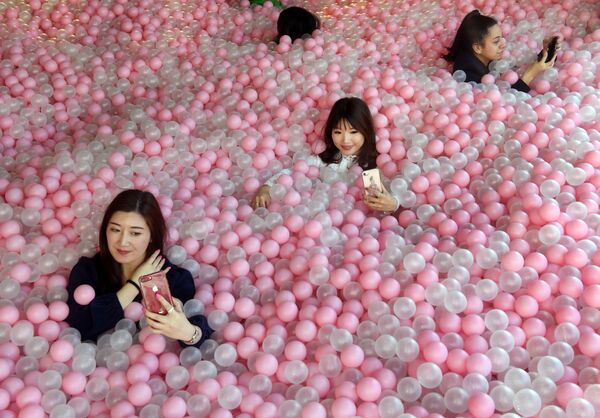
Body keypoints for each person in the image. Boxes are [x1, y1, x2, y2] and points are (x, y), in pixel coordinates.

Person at [66, 189, 212, 346]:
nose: (122, 242)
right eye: (115, 230)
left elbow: (198, 334)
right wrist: (134, 284)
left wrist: (189, 333)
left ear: (151, 236)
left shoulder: (175, 279)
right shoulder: (87, 271)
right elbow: (79, 328)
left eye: (135, 233)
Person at [251, 97, 400, 213]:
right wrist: (266, 188)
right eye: (338, 132)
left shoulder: (374, 165)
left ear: (366, 131)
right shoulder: (323, 161)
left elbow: (391, 190)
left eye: (353, 132)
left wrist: (394, 203)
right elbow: (291, 172)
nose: (345, 140)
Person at [444, 10, 560, 93]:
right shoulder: (468, 76)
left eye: (501, 38)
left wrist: (546, 52)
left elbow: (518, 68)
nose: (503, 44)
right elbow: (503, 102)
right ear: (478, 48)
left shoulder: (487, 58)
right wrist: (529, 75)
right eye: (496, 41)